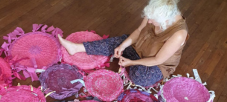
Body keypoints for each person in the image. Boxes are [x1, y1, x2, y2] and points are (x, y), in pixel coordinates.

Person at [58, 0, 188, 88]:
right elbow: (138, 31)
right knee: (119, 43)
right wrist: (123, 46)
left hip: (157, 64)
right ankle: (76, 48)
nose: (148, 22)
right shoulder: (156, 13)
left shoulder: (178, 34)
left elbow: (157, 59)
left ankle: (129, 60)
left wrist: (131, 63)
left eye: (152, 20)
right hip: (139, 48)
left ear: (165, 20)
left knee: (140, 78)